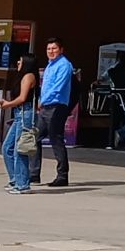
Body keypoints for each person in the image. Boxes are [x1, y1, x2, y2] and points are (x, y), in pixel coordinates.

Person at [0, 53, 39, 193]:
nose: (18, 62)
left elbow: (23, 98)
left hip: (25, 113)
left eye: (21, 61)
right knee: (7, 147)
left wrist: (7, 104)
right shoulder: (21, 77)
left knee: (21, 149)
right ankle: (15, 179)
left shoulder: (28, 76)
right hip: (19, 113)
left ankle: (23, 184)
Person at [35, 39, 75, 187]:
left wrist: (43, 100)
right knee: (35, 138)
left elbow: (57, 87)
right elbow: (45, 86)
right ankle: (34, 174)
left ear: (61, 50)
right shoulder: (49, 66)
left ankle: (62, 175)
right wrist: (41, 101)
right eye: (48, 49)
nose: (51, 51)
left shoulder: (64, 65)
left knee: (56, 139)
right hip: (45, 106)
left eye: (54, 48)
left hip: (57, 106)